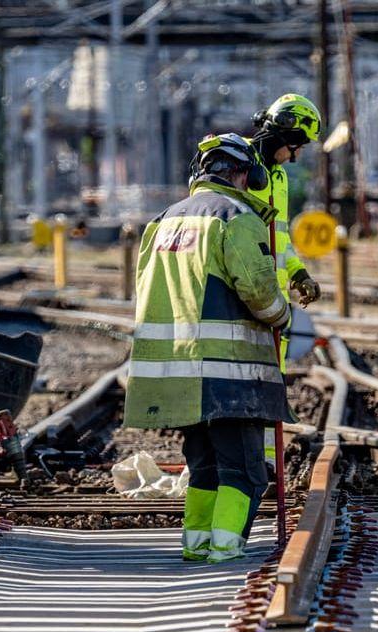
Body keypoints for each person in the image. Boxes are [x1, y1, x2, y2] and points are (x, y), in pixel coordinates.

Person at [122, 134, 290, 564]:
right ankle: (226, 549)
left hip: (177, 373)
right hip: (228, 373)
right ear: (245, 175)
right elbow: (258, 291)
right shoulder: (235, 217)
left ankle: (196, 546)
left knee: (205, 466)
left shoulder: (161, 222)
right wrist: (283, 316)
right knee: (246, 472)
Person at [247, 93, 323, 464]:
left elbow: (280, 238)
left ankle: (264, 466)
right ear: (282, 134)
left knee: (270, 384)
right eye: (296, 147)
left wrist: (298, 273)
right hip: (244, 296)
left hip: (272, 301)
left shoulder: (277, 176)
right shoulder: (240, 163)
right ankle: (247, 463)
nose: (296, 156)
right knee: (245, 382)